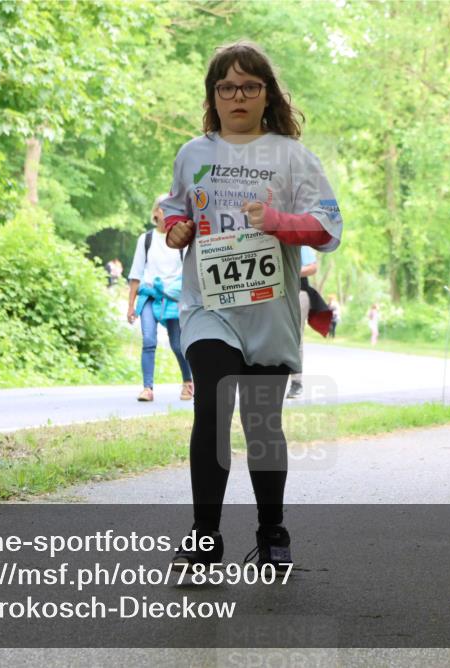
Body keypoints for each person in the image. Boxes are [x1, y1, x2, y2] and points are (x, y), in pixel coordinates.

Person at [161, 41, 342, 570]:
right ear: (213, 97)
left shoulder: (293, 156)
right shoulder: (194, 153)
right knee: (211, 411)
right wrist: (176, 229)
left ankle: (272, 531)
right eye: (226, 87)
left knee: (262, 424)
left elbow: (329, 229)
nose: (237, 96)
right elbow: (174, 208)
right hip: (207, 307)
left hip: (270, 310)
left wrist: (279, 223)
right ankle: (204, 536)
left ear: (268, 95)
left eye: (249, 86)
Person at [127, 196, 194, 402]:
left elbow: (188, 274)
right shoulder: (146, 239)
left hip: (173, 298)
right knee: (148, 340)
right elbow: (136, 274)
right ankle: (147, 388)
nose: (168, 214)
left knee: (177, 343)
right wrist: (130, 306)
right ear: (156, 213)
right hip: (149, 296)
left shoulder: (182, 241)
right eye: (165, 210)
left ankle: (187, 382)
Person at [286, 246, 318, 399]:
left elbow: (312, 267)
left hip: (298, 292)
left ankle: (296, 382)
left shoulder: (299, 241)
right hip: (273, 294)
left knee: (296, 337)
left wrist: (288, 270)